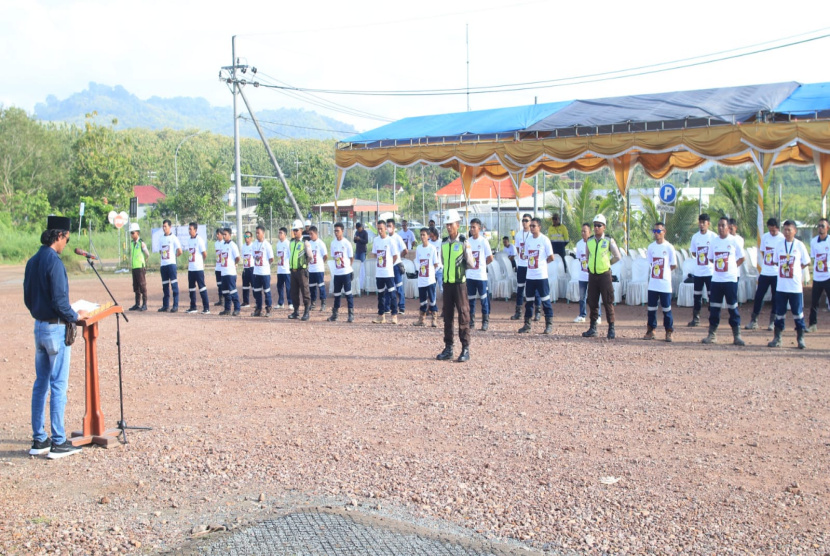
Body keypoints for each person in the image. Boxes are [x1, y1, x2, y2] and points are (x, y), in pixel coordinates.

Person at [24, 215, 89, 459]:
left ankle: (39, 439)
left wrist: (42, 313)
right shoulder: (54, 262)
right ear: (59, 236)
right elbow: (61, 301)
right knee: (58, 384)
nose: (66, 245)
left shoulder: (32, 261)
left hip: (39, 327)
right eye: (66, 239)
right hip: (56, 329)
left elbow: (28, 299)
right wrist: (74, 314)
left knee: (40, 383)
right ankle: (59, 441)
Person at [436, 209, 476, 362]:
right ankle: (448, 348)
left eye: (451, 224)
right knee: (447, 316)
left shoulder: (464, 242)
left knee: (463, 315)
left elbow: (471, 263)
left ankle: (465, 348)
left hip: (460, 285)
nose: (448, 227)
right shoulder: (444, 243)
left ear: (458, 225)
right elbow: (444, 262)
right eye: (447, 224)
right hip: (447, 285)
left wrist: (461, 267)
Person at [701, 217, 746, 345]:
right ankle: (712, 335)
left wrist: (731, 267)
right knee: (714, 307)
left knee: (733, 308)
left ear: (728, 227)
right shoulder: (714, 242)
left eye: (723, 226)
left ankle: (737, 336)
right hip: (716, 280)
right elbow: (710, 258)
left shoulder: (734, 241)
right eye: (719, 225)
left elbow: (742, 258)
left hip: (730, 280)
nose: (720, 228)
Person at [768, 220, 810, 349]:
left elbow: (806, 262)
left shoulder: (800, 245)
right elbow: (775, 261)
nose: (786, 232)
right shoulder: (779, 245)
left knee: (798, 313)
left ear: (794, 231)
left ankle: (800, 338)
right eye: (784, 230)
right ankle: (777, 337)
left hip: (795, 286)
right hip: (781, 286)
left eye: (789, 230)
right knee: (779, 313)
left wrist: (796, 270)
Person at [582, 214, 621, 339]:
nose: (596, 228)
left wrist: (607, 263)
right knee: (592, 301)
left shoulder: (608, 241)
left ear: (604, 227)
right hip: (593, 275)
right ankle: (593, 327)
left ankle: (611, 328)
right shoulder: (590, 241)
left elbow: (617, 256)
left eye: (599, 225)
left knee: (608, 301)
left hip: (605, 275)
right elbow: (587, 256)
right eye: (595, 225)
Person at [518, 217, 555, 335]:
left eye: (534, 226)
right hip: (530, 276)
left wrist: (542, 264)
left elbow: (551, 257)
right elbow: (525, 255)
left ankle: (549, 324)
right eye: (531, 226)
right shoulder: (528, 240)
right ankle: (527, 324)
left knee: (545, 301)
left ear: (539, 227)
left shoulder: (544, 240)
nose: (531, 228)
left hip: (541, 276)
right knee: (529, 301)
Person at [746, 218, 784, 330]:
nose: (772, 232)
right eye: (770, 230)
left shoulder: (782, 239)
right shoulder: (765, 237)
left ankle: (773, 321)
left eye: (774, 230)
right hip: (765, 272)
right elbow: (763, 251)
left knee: (775, 298)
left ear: (777, 228)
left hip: (776, 273)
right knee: (759, 296)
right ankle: (754, 320)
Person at [643, 222, 678, 342]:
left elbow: (673, 265)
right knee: (651, 309)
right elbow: (651, 263)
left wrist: (665, 273)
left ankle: (669, 331)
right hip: (653, 283)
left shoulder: (669, 247)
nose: (657, 234)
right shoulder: (651, 247)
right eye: (655, 231)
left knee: (666, 309)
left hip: (665, 284)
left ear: (664, 232)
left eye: (659, 231)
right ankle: (651, 330)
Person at [687, 213, 717, 326]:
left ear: (708, 224)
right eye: (700, 222)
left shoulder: (713, 237)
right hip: (698, 272)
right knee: (697, 296)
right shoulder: (695, 237)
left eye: (703, 223)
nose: (701, 225)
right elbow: (694, 252)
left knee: (711, 295)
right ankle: (696, 318)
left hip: (710, 271)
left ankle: (712, 318)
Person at [511, 214, 541, 321]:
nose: (524, 222)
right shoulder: (519, 235)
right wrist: (522, 259)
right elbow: (519, 249)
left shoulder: (533, 235)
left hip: (531, 267)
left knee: (534, 289)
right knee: (520, 288)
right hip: (522, 265)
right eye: (523, 220)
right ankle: (518, 312)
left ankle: (537, 312)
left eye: (527, 220)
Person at [466, 218, 493, 331]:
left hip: (481, 276)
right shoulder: (468, 242)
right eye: (471, 227)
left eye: (474, 227)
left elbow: (490, 257)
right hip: (470, 276)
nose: (472, 229)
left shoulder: (483, 241)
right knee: (471, 300)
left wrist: (481, 265)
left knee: (484, 300)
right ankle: (471, 322)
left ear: (479, 228)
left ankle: (485, 321)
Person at [372, 219, 400, 324]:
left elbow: (395, 256)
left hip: (388, 273)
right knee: (380, 294)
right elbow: (375, 254)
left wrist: (388, 265)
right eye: (378, 229)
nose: (380, 231)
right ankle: (381, 315)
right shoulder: (376, 240)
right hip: (379, 273)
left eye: (381, 229)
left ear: (385, 229)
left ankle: (394, 315)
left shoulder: (390, 241)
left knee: (392, 294)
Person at [573, 223, 601, 324]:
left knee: (595, 297)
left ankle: (598, 316)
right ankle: (582, 315)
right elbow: (579, 259)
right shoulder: (579, 244)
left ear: (590, 232)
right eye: (582, 231)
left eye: (585, 231)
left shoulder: (594, 243)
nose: (583, 233)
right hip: (582, 275)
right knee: (582, 297)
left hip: (593, 275)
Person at [328, 222, 355, 323]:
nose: (336, 232)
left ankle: (351, 314)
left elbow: (351, 258)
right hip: (337, 273)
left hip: (346, 272)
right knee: (337, 294)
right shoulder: (333, 243)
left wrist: (348, 268)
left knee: (348, 293)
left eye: (337, 231)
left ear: (342, 231)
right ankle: (335, 314)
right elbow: (334, 257)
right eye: (335, 231)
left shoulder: (347, 243)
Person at [413, 228, 440, 327]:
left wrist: (432, 273)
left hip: (430, 279)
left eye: (424, 235)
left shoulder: (432, 248)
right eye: (421, 235)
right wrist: (418, 268)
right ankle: (422, 319)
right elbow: (416, 261)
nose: (422, 237)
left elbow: (436, 263)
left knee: (432, 300)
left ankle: (434, 319)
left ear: (428, 236)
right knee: (423, 300)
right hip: (421, 279)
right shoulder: (419, 248)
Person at [288, 219, 314, 321]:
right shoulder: (292, 242)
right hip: (293, 271)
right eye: (294, 230)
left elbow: (310, 256)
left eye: (296, 230)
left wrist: (305, 265)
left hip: (302, 271)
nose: (294, 232)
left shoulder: (305, 242)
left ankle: (306, 312)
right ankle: (296, 311)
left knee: (305, 292)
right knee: (294, 292)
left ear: (301, 230)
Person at [808, 217, 830, 332]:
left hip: (828, 276)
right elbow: (813, 258)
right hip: (817, 276)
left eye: (822, 226)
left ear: (827, 228)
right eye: (819, 226)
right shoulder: (813, 241)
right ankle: (812, 324)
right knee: (814, 302)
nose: (820, 228)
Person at [184, 222, 211, 314]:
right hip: (191, 269)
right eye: (189, 229)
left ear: (195, 230)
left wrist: (201, 263)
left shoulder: (199, 240)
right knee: (191, 288)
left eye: (191, 229)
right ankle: (193, 307)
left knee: (202, 288)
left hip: (198, 269)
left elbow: (204, 254)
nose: (189, 231)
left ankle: (206, 308)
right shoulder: (189, 240)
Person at [158, 219, 182, 312]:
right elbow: (160, 251)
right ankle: (165, 305)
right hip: (163, 265)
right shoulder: (161, 238)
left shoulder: (174, 238)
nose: (164, 228)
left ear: (170, 227)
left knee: (174, 285)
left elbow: (180, 251)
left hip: (171, 265)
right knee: (165, 286)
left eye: (166, 226)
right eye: (163, 226)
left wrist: (174, 257)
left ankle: (175, 305)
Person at [251, 225, 274, 317]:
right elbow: (253, 256)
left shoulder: (267, 245)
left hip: (264, 272)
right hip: (256, 272)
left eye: (258, 233)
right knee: (257, 291)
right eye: (256, 233)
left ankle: (268, 309)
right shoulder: (254, 244)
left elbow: (271, 259)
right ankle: (258, 309)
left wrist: (265, 265)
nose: (257, 235)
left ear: (263, 233)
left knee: (267, 291)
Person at [218, 227, 241, 316]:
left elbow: (238, 257)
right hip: (223, 272)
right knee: (225, 292)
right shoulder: (222, 245)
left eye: (225, 234)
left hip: (230, 273)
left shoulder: (233, 245)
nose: (224, 236)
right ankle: (227, 309)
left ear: (230, 235)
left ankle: (237, 308)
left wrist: (234, 264)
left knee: (232, 291)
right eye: (223, 234)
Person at [387, 219, 408, 314]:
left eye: (390, 226)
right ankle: (387, 307)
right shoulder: (386, 238)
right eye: (387, 226)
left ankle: (402, 307)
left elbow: (405, 250)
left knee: (399, 287)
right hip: (388, 266)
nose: (388, 228)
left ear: (394, 227)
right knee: (389, 287)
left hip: (396, 265)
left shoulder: (398, 238)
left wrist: (400, 256)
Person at [128, 222, 150, 312]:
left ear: (138, 233)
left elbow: (147, 254)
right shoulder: (132, 243)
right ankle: (137, 304)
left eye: (133, 233)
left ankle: (144, 304)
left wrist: (144, 261)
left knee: (142, 286)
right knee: (136, 286)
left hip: (140, 267)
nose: (132, 235)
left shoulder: (141, 243)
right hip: (134, 267)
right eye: (131, 233)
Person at [307, 226, 328, 312]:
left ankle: (323, 303)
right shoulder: (308, 243)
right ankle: (313, 303)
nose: (310, 236)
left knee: (321, 286)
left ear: (316, 233)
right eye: (309, 234)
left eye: (311, 234)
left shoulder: (321, 243)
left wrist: (321, 263)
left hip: (319, 269)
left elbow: (325, 256)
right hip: (311, 269)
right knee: (312, 287)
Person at [274, 227, 292, 310]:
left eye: (281, 233)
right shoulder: (278, 244)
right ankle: (280, 303)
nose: (279, 234)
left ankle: (290, 303)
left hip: (286, 270)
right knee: (279, 287)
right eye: (279, 233)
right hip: (280, 269)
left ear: (285, 234)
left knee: (288, 287)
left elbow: (290, 256)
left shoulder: (288, 244)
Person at [240, 231, 254, 308]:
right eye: (245, 237)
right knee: (245, 286)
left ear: (251, 238)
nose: (246, 238)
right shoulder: (243, 246)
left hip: (252, 268)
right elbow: (243, 256)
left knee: (254, 286)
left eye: (248, 237)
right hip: (245, 268)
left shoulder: (253, 246)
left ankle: (257, 302)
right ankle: (246, 302)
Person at [353, 222, 369, 292]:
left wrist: (360, 239)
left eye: (358, 228)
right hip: (357, 251)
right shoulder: (356, 232)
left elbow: (366, 241)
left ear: (361, 227)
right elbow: (354, 241)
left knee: (362, 266)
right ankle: (357, 280)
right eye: (357, 229)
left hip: (362, 251)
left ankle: (362, 282)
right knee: (356, 265)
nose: (358, 230)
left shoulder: (365, 232)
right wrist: (355, 239)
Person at [428, 227, 444, 295]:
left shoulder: (441, 242)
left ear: (436, 235)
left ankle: (445, 300)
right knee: (432, 286)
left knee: (441, 286)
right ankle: (433, 301)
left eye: (433, 236)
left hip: (439, 267)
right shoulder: (429, 243)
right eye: (430, 236)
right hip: (432, 268)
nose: (432, 238)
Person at [213, 228, 224, 306]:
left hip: (223, 268)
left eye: (218, 234)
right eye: (216, 234)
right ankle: (220, 299)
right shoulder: (216, 243)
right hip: (218, 267)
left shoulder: (224, 243)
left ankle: (225, 299)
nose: (217, 236)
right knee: (219, 284)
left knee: (224, 284)